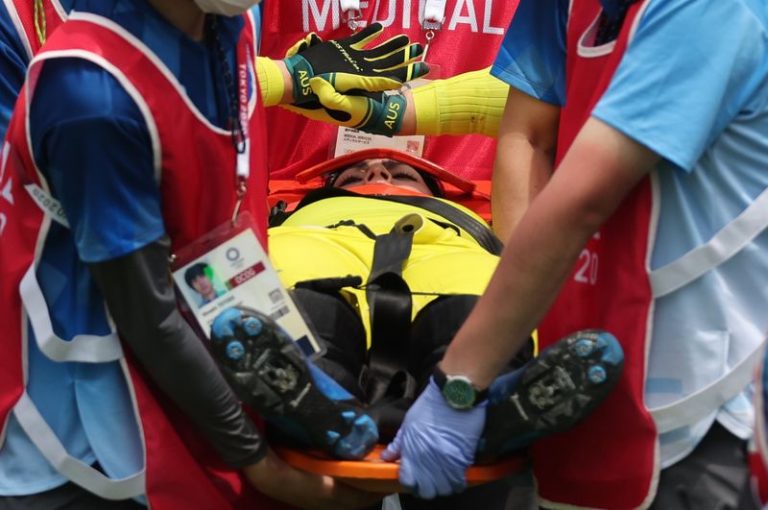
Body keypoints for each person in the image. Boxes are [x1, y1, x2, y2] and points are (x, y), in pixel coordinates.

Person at [0, 1, 427, 509]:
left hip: (197, 363)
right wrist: (262, 466)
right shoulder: (92, 96)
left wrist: (302, 384)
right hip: (84, 439)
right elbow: (149, 317)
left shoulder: (229, 27)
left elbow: (222, 235)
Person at [380, 0, 768, 508]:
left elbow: (581, 200)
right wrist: (514, 342)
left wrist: (461, 381)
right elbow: (530, 138)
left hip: (697, 409)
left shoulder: (711, 11)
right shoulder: (563, 7)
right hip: (582, 394)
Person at [209, 151, 625, 507]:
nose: (377, 172)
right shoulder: (296, 218)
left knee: (470, 310)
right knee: (305, 305)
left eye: (403, 172)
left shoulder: (471, 224)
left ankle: (472, 403)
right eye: (352, 176)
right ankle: (474, 419)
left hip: (446, 252)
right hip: (321, 242)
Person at [258, 0, 520, 181]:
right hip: (293, 207)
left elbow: (539, 97)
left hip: (468, 211)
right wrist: (286, 79)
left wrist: (406, 110)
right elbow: (229, 74)